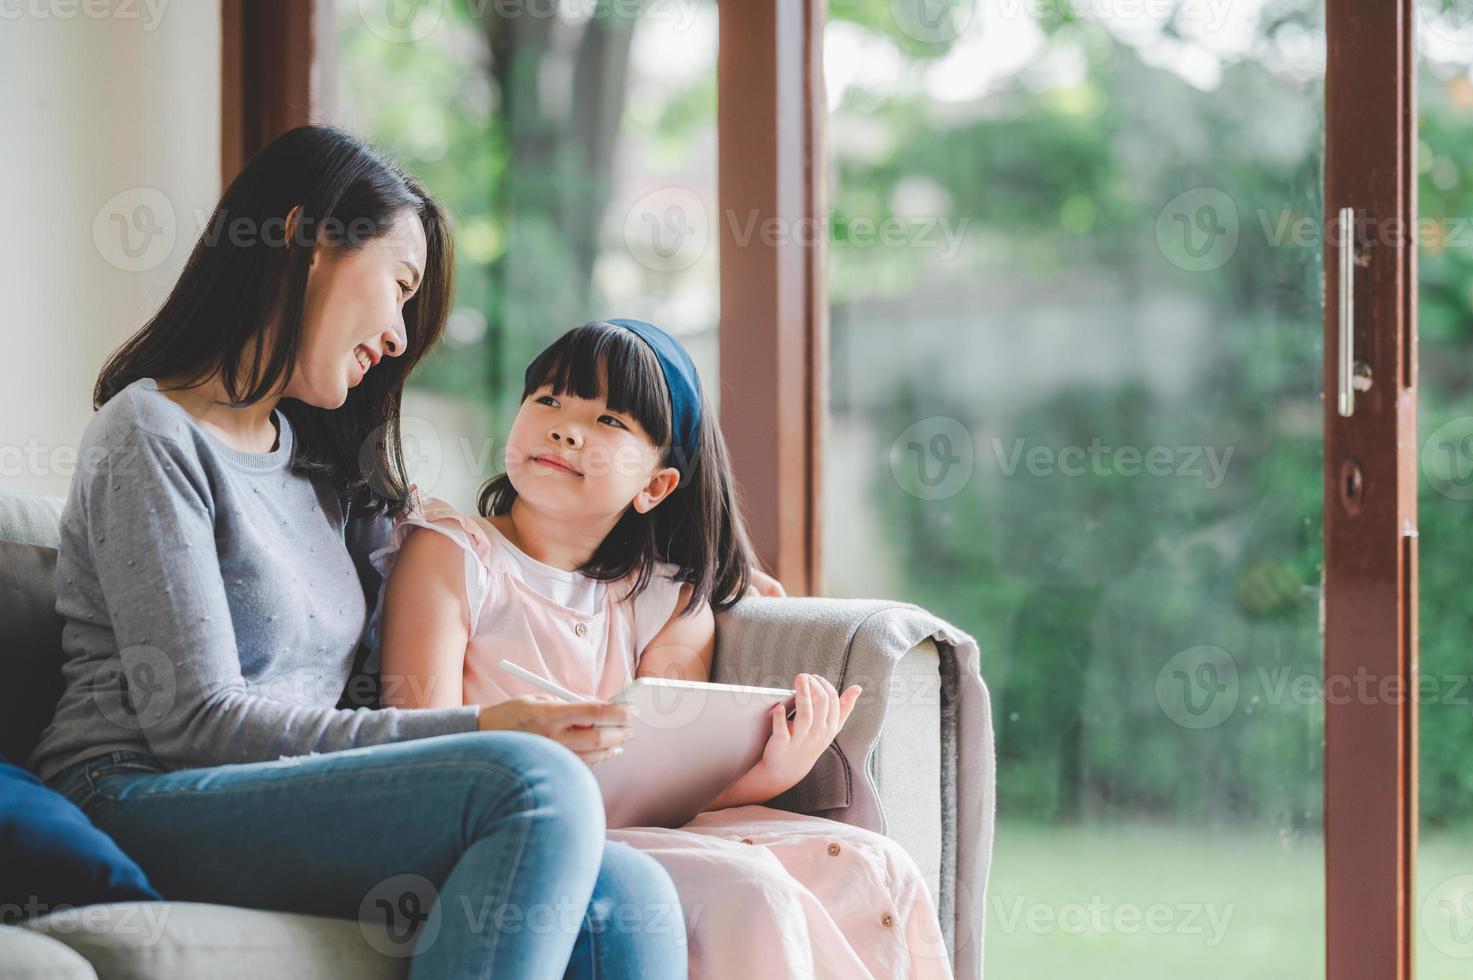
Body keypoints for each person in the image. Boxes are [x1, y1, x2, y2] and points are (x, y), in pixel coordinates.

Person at [28, 126, 741, 978]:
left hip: (271, 798)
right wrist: (482, 727)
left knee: (632, 890)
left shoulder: (324, 469)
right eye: (401, 287)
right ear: (304, 239)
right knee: (529, 783)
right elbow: (194, 725)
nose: (401, 338)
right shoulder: (149, 433)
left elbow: (508, 540)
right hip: (136, 792)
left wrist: (696, 565)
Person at [375, 319, 953, 978]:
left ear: (655, 486)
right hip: (514, 827)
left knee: (873, 863)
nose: (565, 427)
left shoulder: (665, 600)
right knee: (746, 888)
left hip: (639, 829)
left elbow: (669, 785)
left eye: (610, 421)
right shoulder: (453, 554)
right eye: (549, 400)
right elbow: (421, 742)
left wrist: (773, 771)